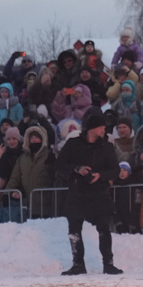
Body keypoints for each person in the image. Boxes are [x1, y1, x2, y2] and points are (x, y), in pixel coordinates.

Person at [55, 109, 122, 274]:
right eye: (101, 128)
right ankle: (78, 264)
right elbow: (59, 166)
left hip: (99, 193)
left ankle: (108, 263)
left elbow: (115, 170)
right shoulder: (73, 144)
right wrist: (77, 169)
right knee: (74, 230)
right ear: (93, 128)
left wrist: (101, 175)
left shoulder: (107, 147)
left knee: (104, 229)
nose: (104, 131)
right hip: (77, 193)